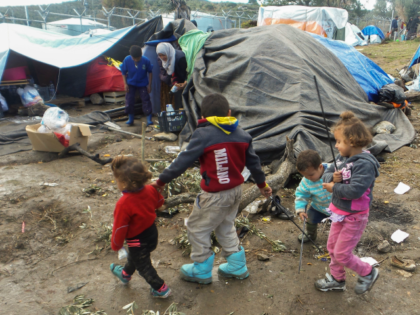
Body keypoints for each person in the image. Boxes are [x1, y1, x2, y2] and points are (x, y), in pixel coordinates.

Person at [151, 93, 272, 284]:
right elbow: (255, 164)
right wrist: (262, 185)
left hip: (214, 195)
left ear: (203, 116)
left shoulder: (203, 134)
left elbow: (184, 159)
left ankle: (201, 268)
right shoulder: (242, 135)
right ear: (229, 113)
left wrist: (161, 180)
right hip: (235, 191)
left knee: (196, 228)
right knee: (225, 226)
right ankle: (237, 266)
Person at [316, 111, 380, 295]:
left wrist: (333, 188)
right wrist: (333, 178)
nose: (336, 146)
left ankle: (368, 272)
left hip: (354, 216)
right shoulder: (342, 158)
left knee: (343, 253)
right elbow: (327, 173)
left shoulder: (365, 164)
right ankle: (337, 279)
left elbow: (355, 191)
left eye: (338, 142)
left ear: (351, 142)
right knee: (332, 248)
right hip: (339, 212)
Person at [109, 156, 171, 298]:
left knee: (143, 266)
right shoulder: (150, 189)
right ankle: (125, 274)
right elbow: (159, 202)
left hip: (137, 241)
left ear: (123, 183)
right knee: (136, 258)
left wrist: (116, 245)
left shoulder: (123, 203)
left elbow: (119, 228)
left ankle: (160, 288)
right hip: (151, 234)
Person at [295, 150, 331, 243]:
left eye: (311, 175)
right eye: (304, 175)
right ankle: (311, 234)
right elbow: (301, 195)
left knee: (340, 224)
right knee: (310, 218)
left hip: (338, 207)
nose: (308, 178)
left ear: (320, 167)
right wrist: (300, 210)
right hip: (318, 207)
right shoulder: (306, 181)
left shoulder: (333, 172)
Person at [120, 45, 153, 126]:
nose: (135, 60)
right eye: (133, 58)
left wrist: (149, 85)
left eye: (137, 58)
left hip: (142, 83)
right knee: (129, 100)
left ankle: (149, 118)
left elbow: (150, 72)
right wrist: (125, 84)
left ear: (141, 56)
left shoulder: (146, 60)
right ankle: (130, 118)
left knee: (146, 100)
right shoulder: (127, 59)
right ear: (131, 56)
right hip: (131, 83)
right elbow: (123, 72)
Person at [156, 42, 188, 110]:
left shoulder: (180, 58)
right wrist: (175, 82)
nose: (162, 57)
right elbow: (174, 72)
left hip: (187, 81)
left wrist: (185, 83)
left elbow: (188, 72)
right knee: (178, 103)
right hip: (179, 83)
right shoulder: (168, 58)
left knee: (185, 102)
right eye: (160, 55)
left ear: (167, 51)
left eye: (163, 55)